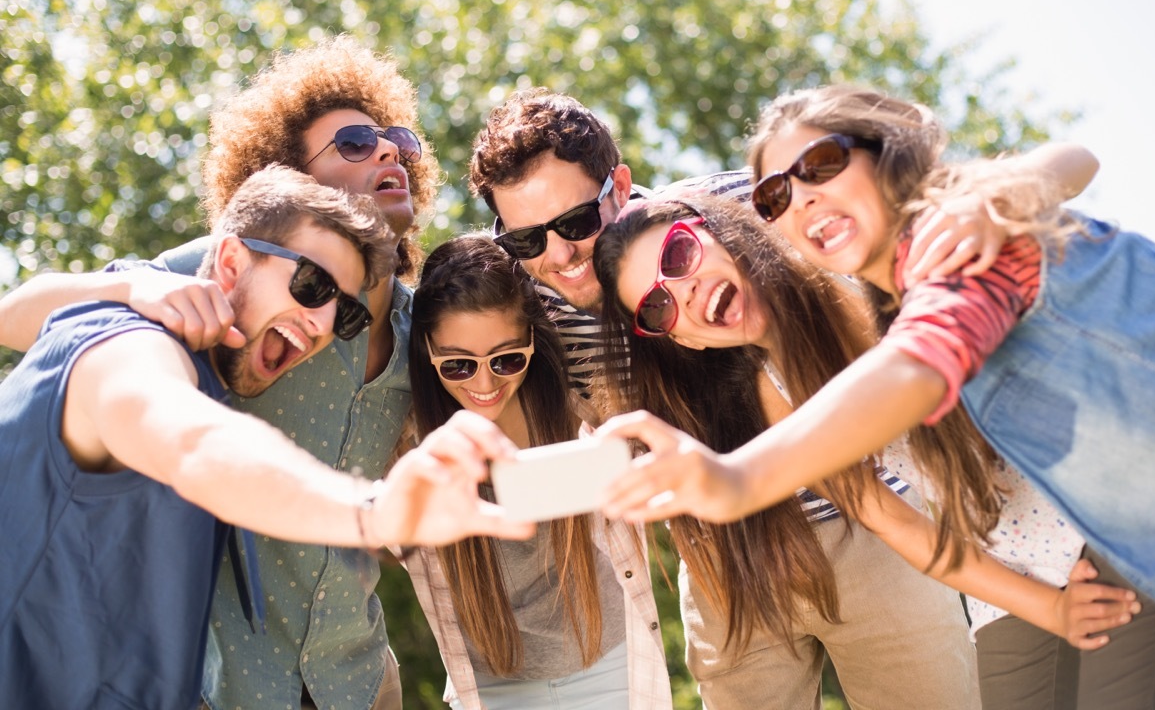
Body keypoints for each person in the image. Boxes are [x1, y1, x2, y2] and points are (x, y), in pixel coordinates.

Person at [596, 83, 1155, 642]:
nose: (803, 197)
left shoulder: (956, 237)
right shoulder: (897, 296)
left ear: (886, 151)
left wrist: (737, 479)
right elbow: (902, 498)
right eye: (778, 195)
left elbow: (916, 366)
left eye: (821, 165)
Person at [594, 194, 1155, 709]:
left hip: (1103, 508)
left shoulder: (854, 264)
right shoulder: (778, 396)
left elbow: (1061, 180)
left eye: (678, 256)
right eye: (657, 307)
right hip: (1013, 560)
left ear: (718, 232)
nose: (684, 291)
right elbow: (895, 523)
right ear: (684, 339)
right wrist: (1050, 609)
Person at [0, 36, 439, 710]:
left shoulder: (428, 330)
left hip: (354, 679)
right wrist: (132, 290)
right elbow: (21, 322)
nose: (387, 151)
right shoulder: (238, 279)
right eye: (354, 142)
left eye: (395, 139)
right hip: (220, 683)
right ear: (287, 176)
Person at [0, 168, 531, 710]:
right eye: (312, 285)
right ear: (230, 263)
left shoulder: (222, 377)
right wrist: (374, 511)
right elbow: (195, 444)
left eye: (344, 311)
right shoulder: (123, 342)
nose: (322, 323)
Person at [466, 88, 1097, 396]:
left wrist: (988, 205)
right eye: (524, 240)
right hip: (728, 568)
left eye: (575, 222)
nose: (558, 254)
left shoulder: (751, 203)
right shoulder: (519, 316)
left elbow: (1064, 163)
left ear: (619, 185)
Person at [398, 234, 671, 709]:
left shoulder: (581, 412)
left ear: (532, 339)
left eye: (507, 359)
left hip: (609, 665)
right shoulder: (408, 440)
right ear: (425, 349)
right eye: (458, 365)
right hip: (490, 685)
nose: (485, 384)